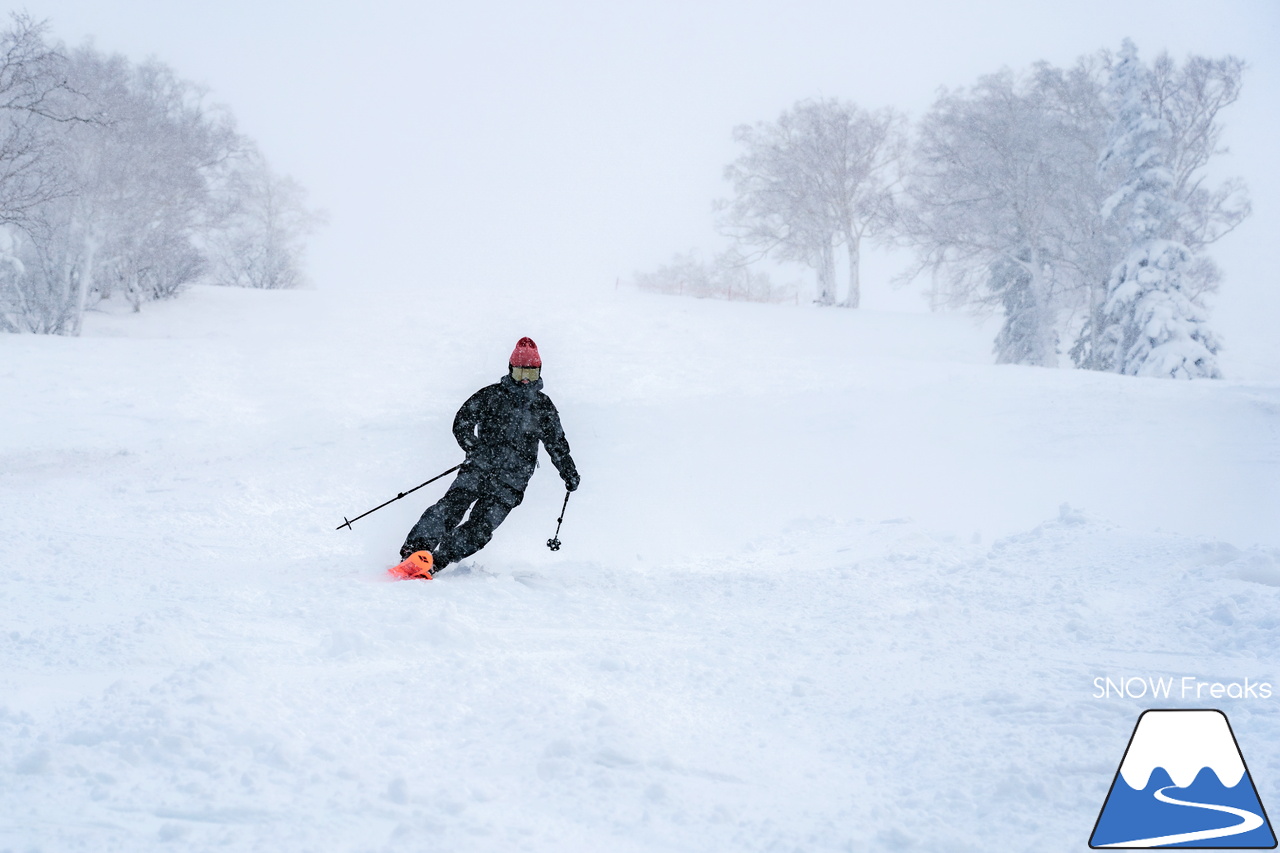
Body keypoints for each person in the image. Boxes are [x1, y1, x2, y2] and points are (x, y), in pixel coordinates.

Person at [399, 337, 580, 573]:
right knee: (451, 507)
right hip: (479, 468)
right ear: (510, 370)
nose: (525, 379)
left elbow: (557, 443)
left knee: (481, 528)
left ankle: (437, 560)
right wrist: (473, 447)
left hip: (512, 481)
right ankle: (416, 551)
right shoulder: (491, 396)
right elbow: (462, 422)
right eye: (519, 373)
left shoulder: (542, 407)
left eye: (531, 374)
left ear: (539, 374)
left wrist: (569, 471)